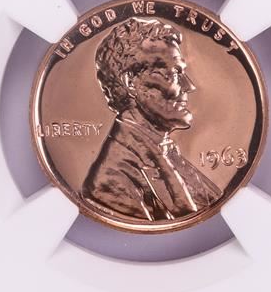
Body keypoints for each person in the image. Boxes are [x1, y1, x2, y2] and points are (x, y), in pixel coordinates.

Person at [82, 17, 221, 222]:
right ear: (130, 82)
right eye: (173, 74)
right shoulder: (112, 179)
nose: (189, 86)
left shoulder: (164, 153)